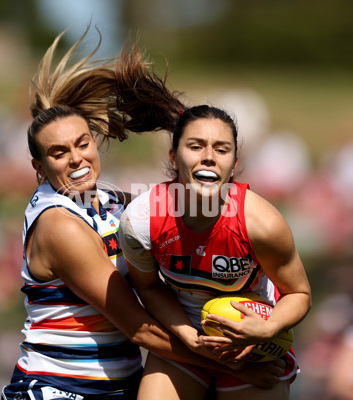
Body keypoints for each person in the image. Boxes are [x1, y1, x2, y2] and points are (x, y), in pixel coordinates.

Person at [1, 29, 287, 400]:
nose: (76, 159)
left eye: (82, 144)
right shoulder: (60, 227)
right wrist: (233, 365)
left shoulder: (109, 199)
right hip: (59, 388)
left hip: (116, 387)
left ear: (95, 141)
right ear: (39, 167)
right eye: (58, 153)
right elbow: (141, 330)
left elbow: (179, 205)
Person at [115, 43, 312, 399]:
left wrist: (268, 329)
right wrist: (191, 339)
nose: (208, 158)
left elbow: (299, 294)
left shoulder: (262, 223)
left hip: (253, 345)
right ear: (174, 157)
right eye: (196, 146)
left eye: (221, 149)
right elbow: (150, 288)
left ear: (234, 164)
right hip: (185, 342)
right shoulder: (141, 221)